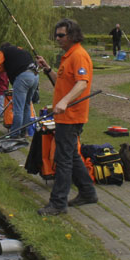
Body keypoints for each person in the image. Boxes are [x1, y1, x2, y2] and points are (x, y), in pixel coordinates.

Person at [35, 18, 96, 215]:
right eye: (56, 35)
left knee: (63, 160)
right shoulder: (67, 56)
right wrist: (47, 69)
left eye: (61, 35)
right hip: (64, 116)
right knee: (71, 155)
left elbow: (82, 83)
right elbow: (61, 82)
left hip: (71, 116)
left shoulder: (79, 55)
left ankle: (58, 204)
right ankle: (87, 193)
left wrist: (64, 102)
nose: (57, 38)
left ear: (72, 35)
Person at [0, 42, 38, 138]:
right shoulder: (22, 50)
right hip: (35, 76)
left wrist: (5, 68)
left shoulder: (3, 51)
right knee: (27, 105)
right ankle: (24, 132)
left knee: (18, 108)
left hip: (23, 78)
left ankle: (14, 134)